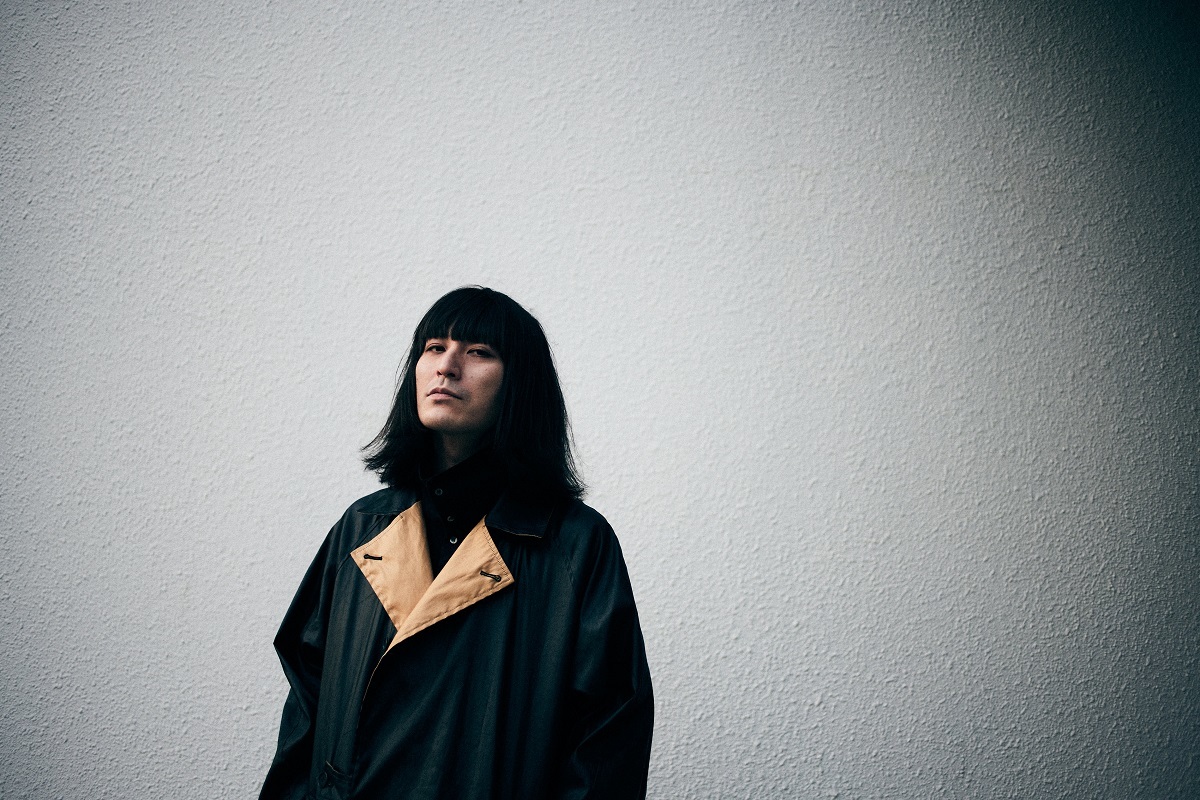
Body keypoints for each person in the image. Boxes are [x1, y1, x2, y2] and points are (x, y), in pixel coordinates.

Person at [259, 287, 653, 800]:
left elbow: (608, 742)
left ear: (520, 383)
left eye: (478, 351)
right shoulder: (362, 527)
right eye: (434, 347)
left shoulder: (575, 545)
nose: (446, 366)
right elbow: (306, 711)